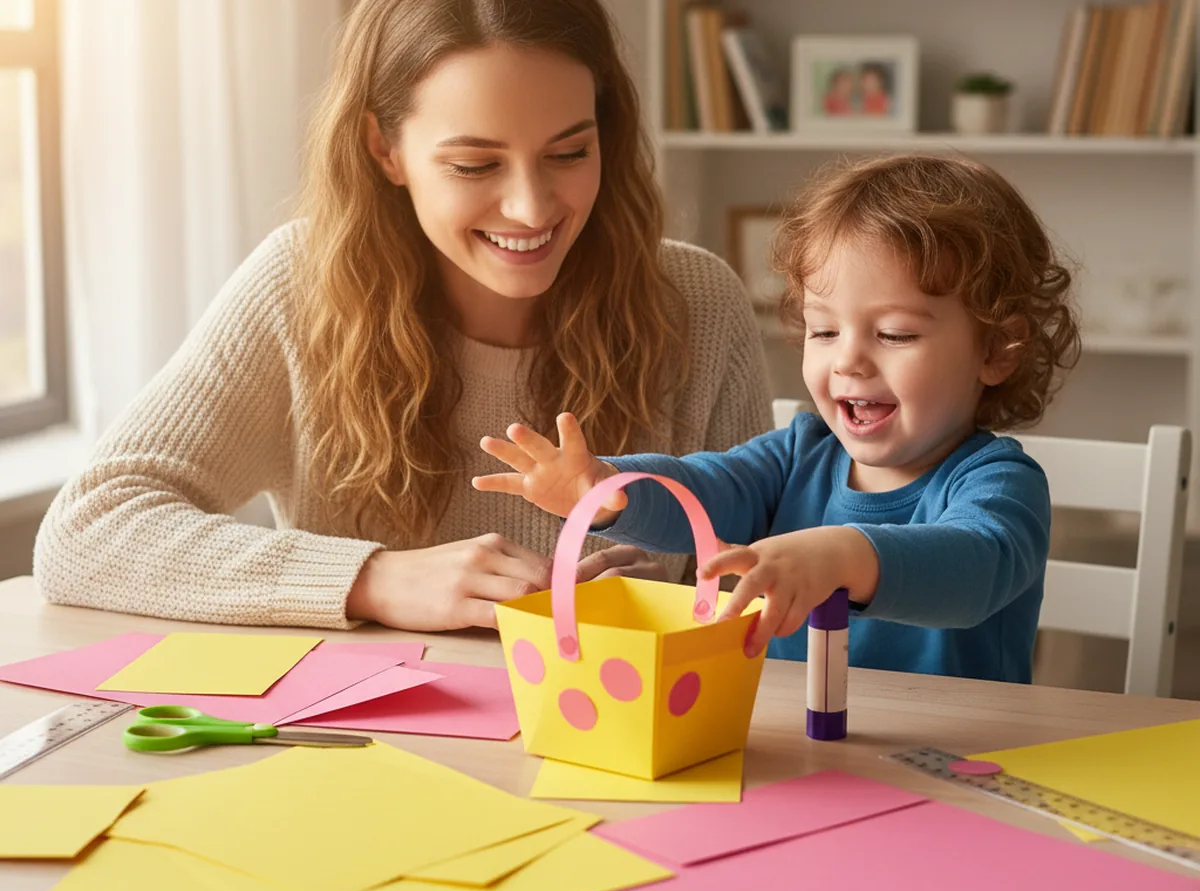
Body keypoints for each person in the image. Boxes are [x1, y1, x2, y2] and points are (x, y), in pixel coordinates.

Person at [32, 0, 773, 632]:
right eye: (475, 165)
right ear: (384, 148)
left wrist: (662, 611)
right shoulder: (301, 286)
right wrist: (375, 580)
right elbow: (87, 531)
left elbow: (769, 579)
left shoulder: (695, 303)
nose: (531, 207)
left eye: (569, 151)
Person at [473, 153, 1082, 683]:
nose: (848, 359)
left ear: (999, 349)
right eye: (824, 329)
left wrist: (845, 555)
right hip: (797, 745)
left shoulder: (999, 482)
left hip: (956, 765)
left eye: (895, 333)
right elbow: (707, 489)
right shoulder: (799, 453)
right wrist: (609, 488)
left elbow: (974, 568)